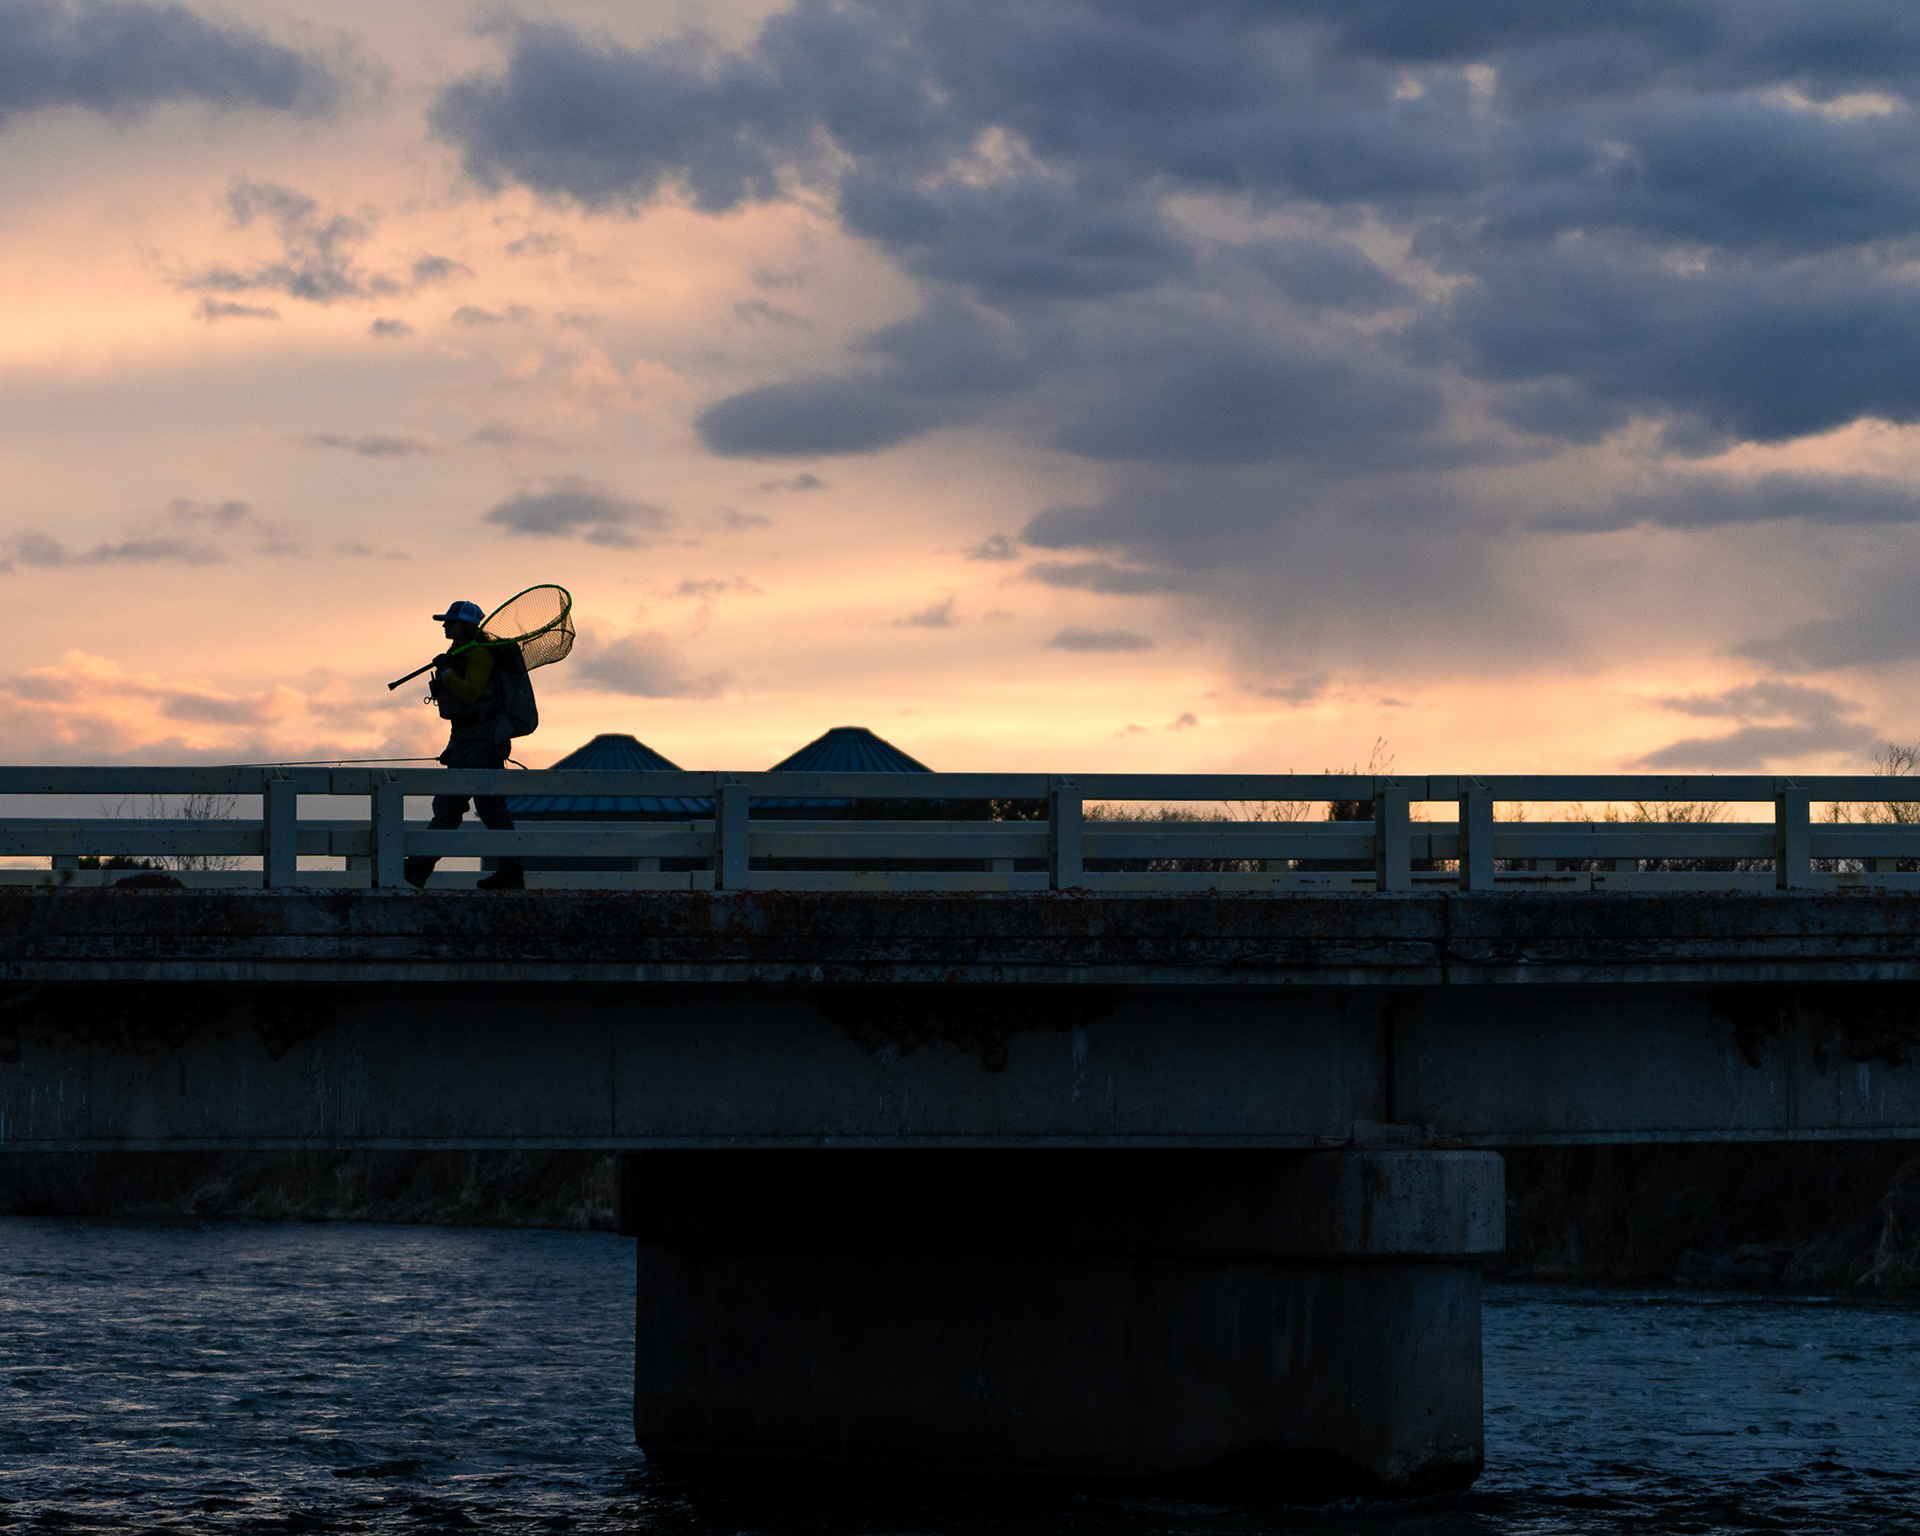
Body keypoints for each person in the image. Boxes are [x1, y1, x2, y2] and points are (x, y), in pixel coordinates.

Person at [403, 600, 525, 891]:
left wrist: (445, 673)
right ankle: (417, 869)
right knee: (448, 806)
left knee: (490, 808)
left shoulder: (481, 655)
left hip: (482, 742)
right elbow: (461, 712)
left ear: (466, 626)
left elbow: (470, 694)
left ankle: (511, 873)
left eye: (451, 621)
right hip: (463, 741)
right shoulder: (458, 655)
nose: (445, 625)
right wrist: (452, 745)